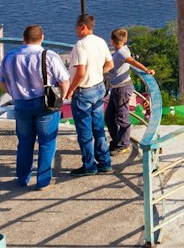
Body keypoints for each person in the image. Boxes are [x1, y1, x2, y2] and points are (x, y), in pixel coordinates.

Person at [0, 25, 63, 190]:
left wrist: (13, 94)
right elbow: (64, 80)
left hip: (21, 103)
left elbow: (1, 81)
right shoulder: (49, 56)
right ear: (42, 38)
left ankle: (23, 178)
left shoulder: (9, 57)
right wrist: (64, 96)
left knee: (25, 142)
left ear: (23, 38)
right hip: (45, 104)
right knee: (47, 142)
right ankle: (43, 181)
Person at [64, 13, 115, 175]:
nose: (75, 30)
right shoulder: (101, 41)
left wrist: (70, 90)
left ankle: (89, 166)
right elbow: (110, 64)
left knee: (85, 131)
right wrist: (97, 72)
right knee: (98, 127)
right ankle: (105, 162)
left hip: (84, 92)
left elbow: (80, 72)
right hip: (98, 88)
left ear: (83, 27)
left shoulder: (81, 45)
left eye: (77, 27)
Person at [104, 27, 155, 155]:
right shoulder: (121, 50)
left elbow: (132, 61)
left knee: (122, 117)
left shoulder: (122, 52)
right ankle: (117, 141)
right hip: (116, 88)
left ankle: (124, 144)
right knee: (109, 117)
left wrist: (146, 70)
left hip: (122, 88)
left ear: (112, 41)